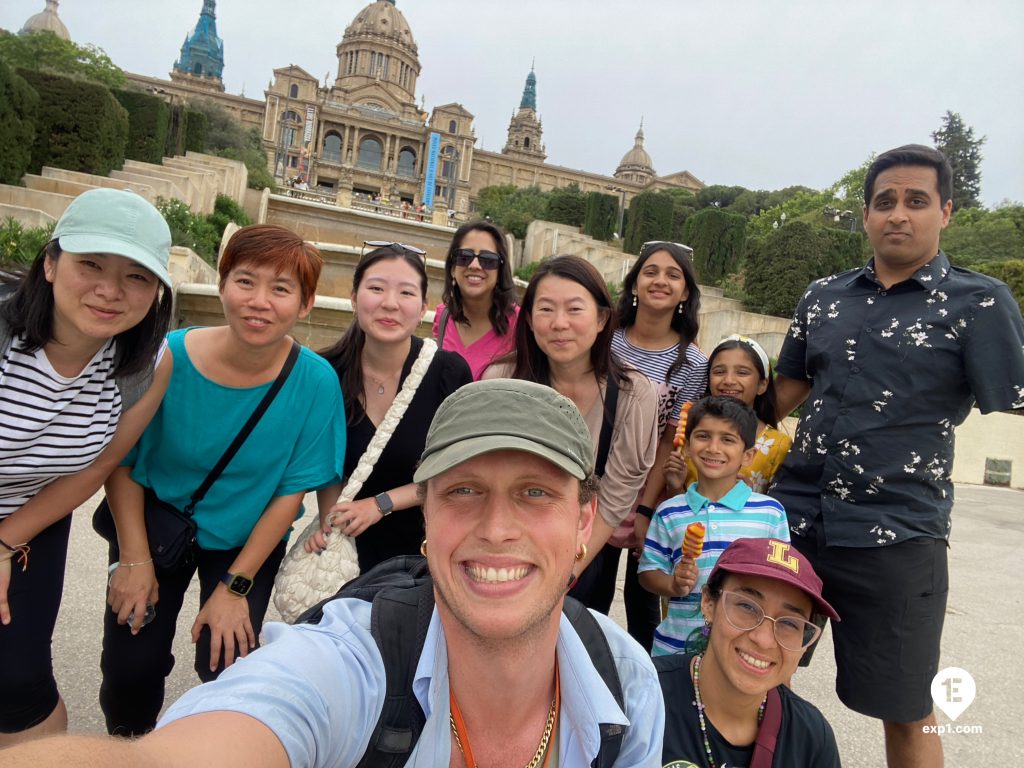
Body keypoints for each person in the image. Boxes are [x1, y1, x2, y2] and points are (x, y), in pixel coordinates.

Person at [0, 379, 666, 767]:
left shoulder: (629, 682)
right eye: (463, 491)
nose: (496, 528)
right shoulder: (350, 661)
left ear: (585, 525)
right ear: (426, 518)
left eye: (535, 492)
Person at [770, 144, 1024, 767]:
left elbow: (1016, 398)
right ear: (865, 215)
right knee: (757, 681)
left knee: (906, 706)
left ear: (947, 212)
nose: (899, 215)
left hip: (898, 534)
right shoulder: (823, 297)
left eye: (916, 201)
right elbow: (783, 395)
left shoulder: (980, 303)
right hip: (792, 520)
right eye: (885, 202)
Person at [98, 224, 346, 737]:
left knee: (228, 665)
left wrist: (236, 587)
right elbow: (122, 463)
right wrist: (134, 560)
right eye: (245, 281)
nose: (259, 302)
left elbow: (289, 493)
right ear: (222, 284)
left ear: (305, 304)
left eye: (280, 289)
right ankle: (129, 745)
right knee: (130, 669)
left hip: (242, 543)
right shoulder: (169, 356)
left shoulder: (316, 381)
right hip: (154, 526)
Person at [0, 189, 173, 745]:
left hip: (30, 522)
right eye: (90, 264)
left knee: (19, 683)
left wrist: (5, 544)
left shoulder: (145, 363)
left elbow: (97, 466)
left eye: (136, 276)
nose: (109, 290)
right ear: (50, 263)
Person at [486, 255, 658, 615]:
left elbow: (616, 494)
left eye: (574, 309)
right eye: (546, 309)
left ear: (601, 319)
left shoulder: (634, 394)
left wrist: (569, 568)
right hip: (507, 536)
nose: (559, 323)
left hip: (586, 547)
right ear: (530, 320)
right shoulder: (500, 381)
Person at [314, 242, 471, 572]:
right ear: (354, 298)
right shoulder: (326, 371)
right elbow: (322, 459)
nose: (390, 304)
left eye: (406, 293)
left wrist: (380, 504)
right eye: (376, 288)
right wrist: (329, 520)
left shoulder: (448, 372)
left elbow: (459, 470)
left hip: (426, 551)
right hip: (350, 548)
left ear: (423, 306)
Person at [657, 537, 841, 767]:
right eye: (746, 606)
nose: (764, 640)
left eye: (790, 623)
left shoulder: (812, 740)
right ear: (708, 603)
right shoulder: (642, 697)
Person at [639, 396, 790, 656]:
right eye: (703, 436)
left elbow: (781, 581)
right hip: (675, 649)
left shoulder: (770, 513)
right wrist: (673, 585)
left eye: (727, 439)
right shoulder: (669, 511)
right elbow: (648, 573)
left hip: (741, 651)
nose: (713, 448)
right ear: (686, 447)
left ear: (747, 456)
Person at [611, 240, 706, 649]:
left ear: (685, 292)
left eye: (673, 274)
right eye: (650, 272)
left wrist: (646, 510)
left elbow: (670, 440)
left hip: (645, 491)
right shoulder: (606, 339)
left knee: (643, 603)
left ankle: (645, 689)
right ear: (634, 284)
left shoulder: (692, 363)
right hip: (593, 483)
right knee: (585, 593)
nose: (660, 281)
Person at [664, 334, 792, 495]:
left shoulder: (779, 446)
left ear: (762, 384)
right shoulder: (689, 433)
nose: (729, 380)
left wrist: (749, 498)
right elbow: (676, 507)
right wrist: (674, 486)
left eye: (742, 373)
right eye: (719, 371)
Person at [432, 220, 519, 380]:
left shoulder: (520, 326)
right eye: (464, 257)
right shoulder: (443, 317)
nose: (475, 265)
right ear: (452, 269)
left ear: (500, 271)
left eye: (488, 259)